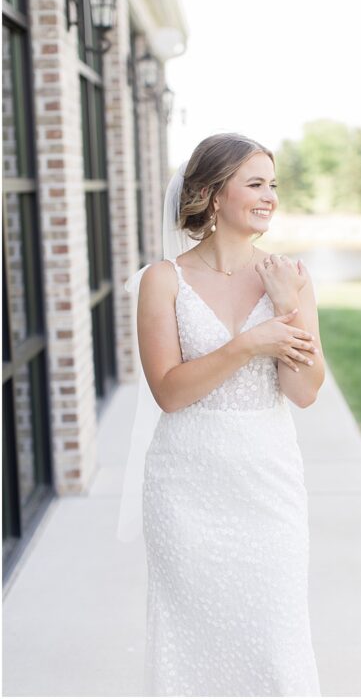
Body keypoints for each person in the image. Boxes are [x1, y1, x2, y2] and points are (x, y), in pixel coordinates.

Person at [121, 134, 323, 694]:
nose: (270, 197)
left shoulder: (290, 278)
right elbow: (169, 391)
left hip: (268, 484)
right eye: (255, 184)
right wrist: (248, 344)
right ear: (212, 195)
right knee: (191, 648)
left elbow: (304, 392)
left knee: (276, 642)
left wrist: (286, 307)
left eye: (273, 185)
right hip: (185, 488)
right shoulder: (163, 280)